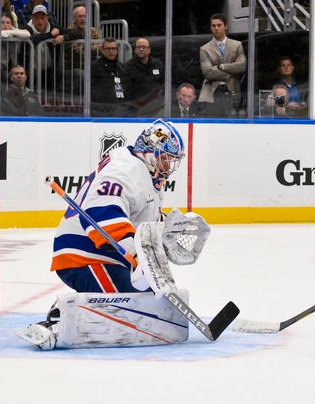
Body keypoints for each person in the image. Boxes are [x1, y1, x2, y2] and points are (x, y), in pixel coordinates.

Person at [16, 120, 209, 350]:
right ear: (149, 152)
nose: (168, 165)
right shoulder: (125, 169)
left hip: (105, 256)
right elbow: (101, 211)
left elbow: (139, 221)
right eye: (164, 157)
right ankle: (56, 324)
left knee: (151, 302)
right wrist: (139, 254)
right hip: (83, 256)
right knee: (138, 307)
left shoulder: (145, 175)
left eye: (171, 160)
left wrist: (163, 229)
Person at [199, 14, 246, 116]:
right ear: (211, 28)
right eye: (213, 26)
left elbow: (242, 66)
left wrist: (222, 66)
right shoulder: (204, 49)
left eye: (219, 25)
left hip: (233, 89)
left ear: (225, 26)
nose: (216, 28)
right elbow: (208, 72)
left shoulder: (237, 45)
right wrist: (230, 73)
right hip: (212, 92)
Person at [123, 38, 165, 117]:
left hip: (156, 107)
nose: (141, 49)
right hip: (136, 109)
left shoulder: (158, 64)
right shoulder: (127, 67)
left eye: (144, 47)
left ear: (149, 50)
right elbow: (127, 91)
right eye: (139, 47)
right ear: (135, 50)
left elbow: (163, 84)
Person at [90, 37, 129, 117]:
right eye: (108, 49)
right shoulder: (94, 66)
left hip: (120, 108)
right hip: (101, 109)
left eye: (113, 48)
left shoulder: (121, 67)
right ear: (102, 50)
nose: (111, 51)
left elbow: (127, 88)